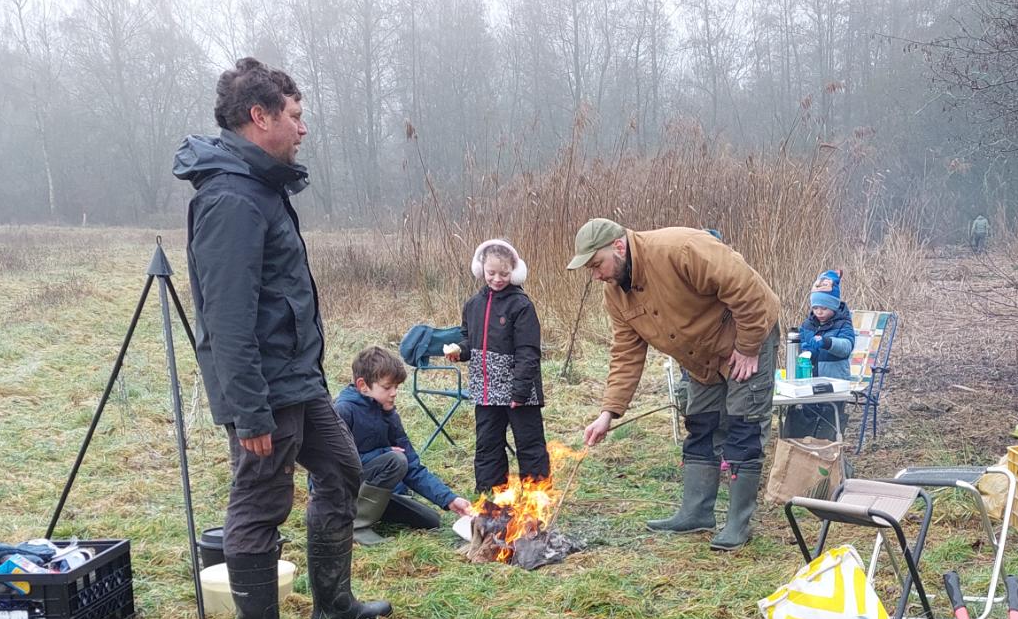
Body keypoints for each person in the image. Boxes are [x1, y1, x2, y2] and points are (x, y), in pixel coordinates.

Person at [173, 57, 389, 619]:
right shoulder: (232, 200)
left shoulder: (260, 188)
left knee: (343, 469)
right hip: (264, 388)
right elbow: (229, 317)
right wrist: (248, 411)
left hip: (299, 378)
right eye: (295, 116)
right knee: (260, 503)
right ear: (258, 116)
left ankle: (334, 602)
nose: (303, 129)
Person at [572, 217, 781, 551]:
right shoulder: (615, 295)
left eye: (597, 264)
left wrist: (748, 345)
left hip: (743, 337)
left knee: (743, 426)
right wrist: (608, 412)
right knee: (700, 424)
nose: (596, 275)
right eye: (590, 269)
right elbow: (626, 352)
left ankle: (738, 524)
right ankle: (696, 512)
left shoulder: (680, 248)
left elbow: (745, 287)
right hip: (700, 359)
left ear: (619, 247)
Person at [334, 346, 473, 543]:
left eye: (396, 387)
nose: (394, 393)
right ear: (363, 385)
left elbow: (411, 465)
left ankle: (371, 510)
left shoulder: (388, 412)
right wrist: (383, 453)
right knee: (395, 459)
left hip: (371, 489)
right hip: (339, 493)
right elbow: (333, 464)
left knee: (430, 519)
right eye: (387, 387)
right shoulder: (343, 410)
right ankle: (354, 526)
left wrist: (449, 499)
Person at [448, 239, 548, 493]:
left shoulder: (521, 305)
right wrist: (460, 351)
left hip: (519, 390)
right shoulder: (473, 304)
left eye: (504, 273)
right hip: (485, 391)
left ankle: (536, 501)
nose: (497, 279)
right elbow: (468, 340)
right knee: (487, 445)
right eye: (491, 273)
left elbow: (529, 351)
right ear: (481, 269)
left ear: (514, 271)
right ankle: (491, 500)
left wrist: (520, 391)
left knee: (529, 445)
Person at [786, 270, 857, 440]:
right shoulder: (809, 324)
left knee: (830, 421)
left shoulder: (843, 323)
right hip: (810, 380)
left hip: (834, 382)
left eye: (824, 308)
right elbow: (803, 341)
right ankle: (806, 444)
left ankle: (829, 446)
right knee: (807, 416)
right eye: (815, 307)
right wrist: (804, 346)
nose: (819, 312)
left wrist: (827, 342)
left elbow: (846, 347)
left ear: (833, 305)